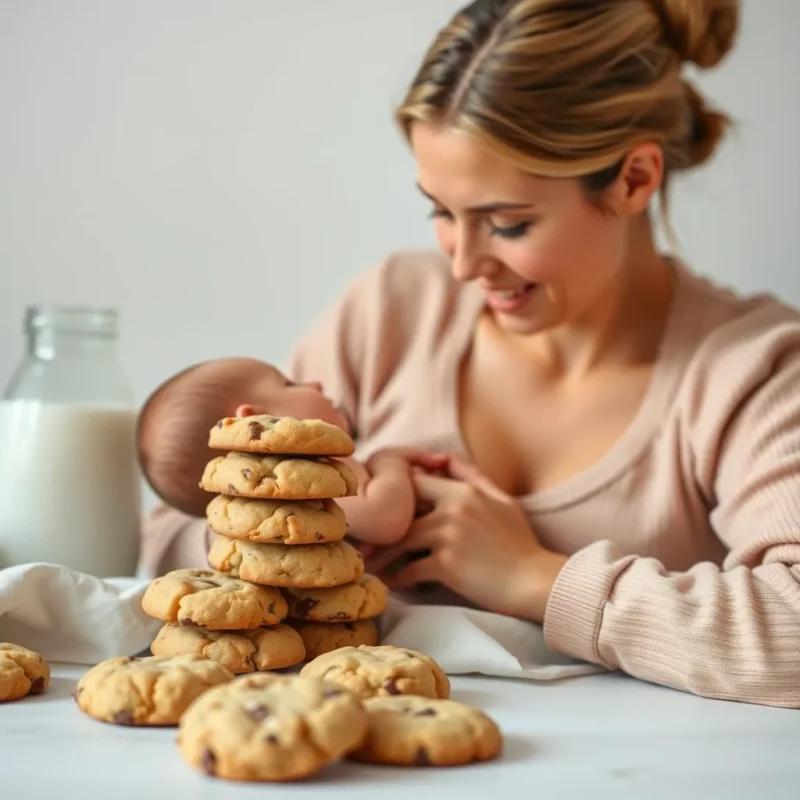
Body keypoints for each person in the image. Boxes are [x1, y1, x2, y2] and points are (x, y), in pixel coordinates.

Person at [143, 0, 800, 709]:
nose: (462, 267)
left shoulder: (754, 373)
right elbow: (174, 532)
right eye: (440, 211)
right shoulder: (391, 313)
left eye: (508, 224)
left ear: (634, 179)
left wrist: (536, 577)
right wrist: (318, 544)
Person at [137, 358, 442, 573]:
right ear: (255, 424)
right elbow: (386, 518)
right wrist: (389, 462)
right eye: (289, 383)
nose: (316, 384)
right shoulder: (304, 481)